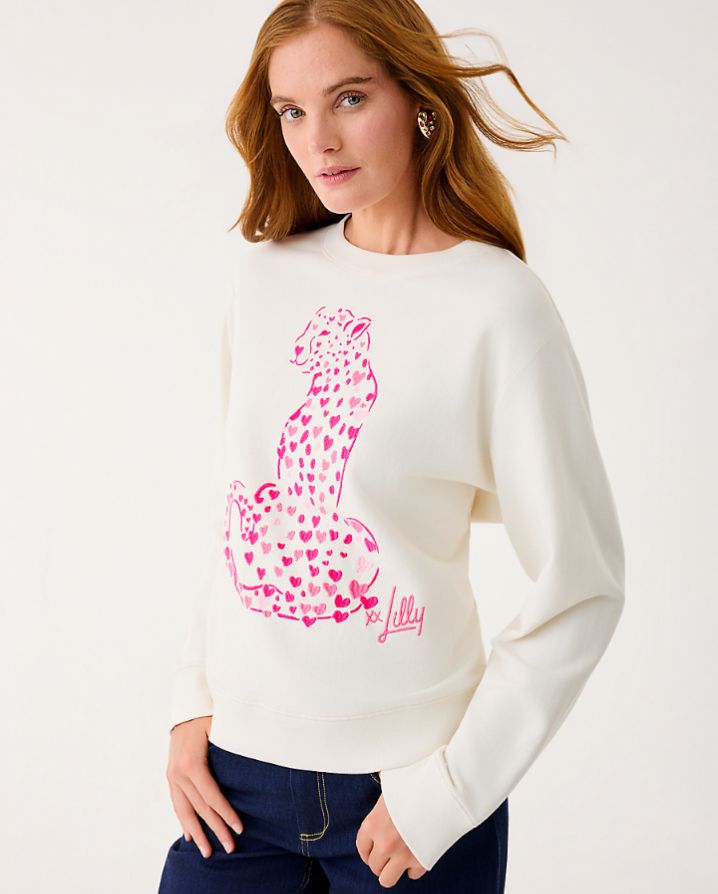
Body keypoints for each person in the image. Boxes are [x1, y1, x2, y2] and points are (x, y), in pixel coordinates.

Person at [157, 1, 625, 891]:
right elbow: (237, 509)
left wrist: (447, 795)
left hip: (408, 796)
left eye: (349, 98)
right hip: (234, 784)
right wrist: (192, 704)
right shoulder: (265, 279)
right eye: (292, 111)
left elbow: (584, 582)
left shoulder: (499, 307)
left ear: (419, 100)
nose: (319, 141)